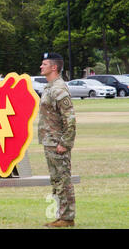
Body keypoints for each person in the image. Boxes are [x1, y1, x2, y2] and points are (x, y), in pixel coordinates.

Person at [38, 53, 76, 227]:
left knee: (63, 180)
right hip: (50, 141)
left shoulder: (59, 88)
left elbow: (70, 119)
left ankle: (67, 217)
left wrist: (65, 143)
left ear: (54, 67)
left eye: (44, 64)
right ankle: (62, 216)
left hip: (57, 143)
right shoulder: (49, 87)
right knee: (56, 180)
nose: (41, 66)